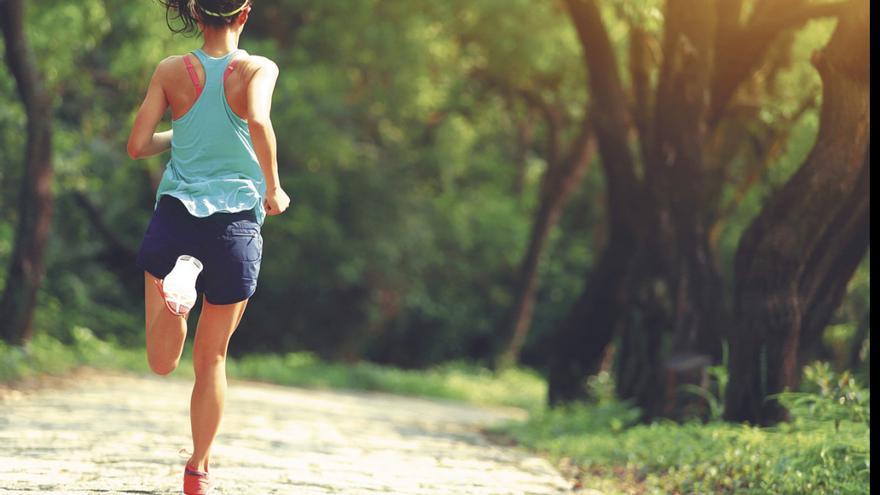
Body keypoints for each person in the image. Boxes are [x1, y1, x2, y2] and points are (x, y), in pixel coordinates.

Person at [126, 1, 289, 493]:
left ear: (195, 15)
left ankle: (180, 296)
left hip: (176, 217)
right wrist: (274, 187)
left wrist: (185, 132)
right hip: (234, 224)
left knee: (161, 361)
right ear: (245, 15)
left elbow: (137, 146)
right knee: (212, 358)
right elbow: (257, 121)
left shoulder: (170, 70)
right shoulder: (259, 68)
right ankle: (197, 468)